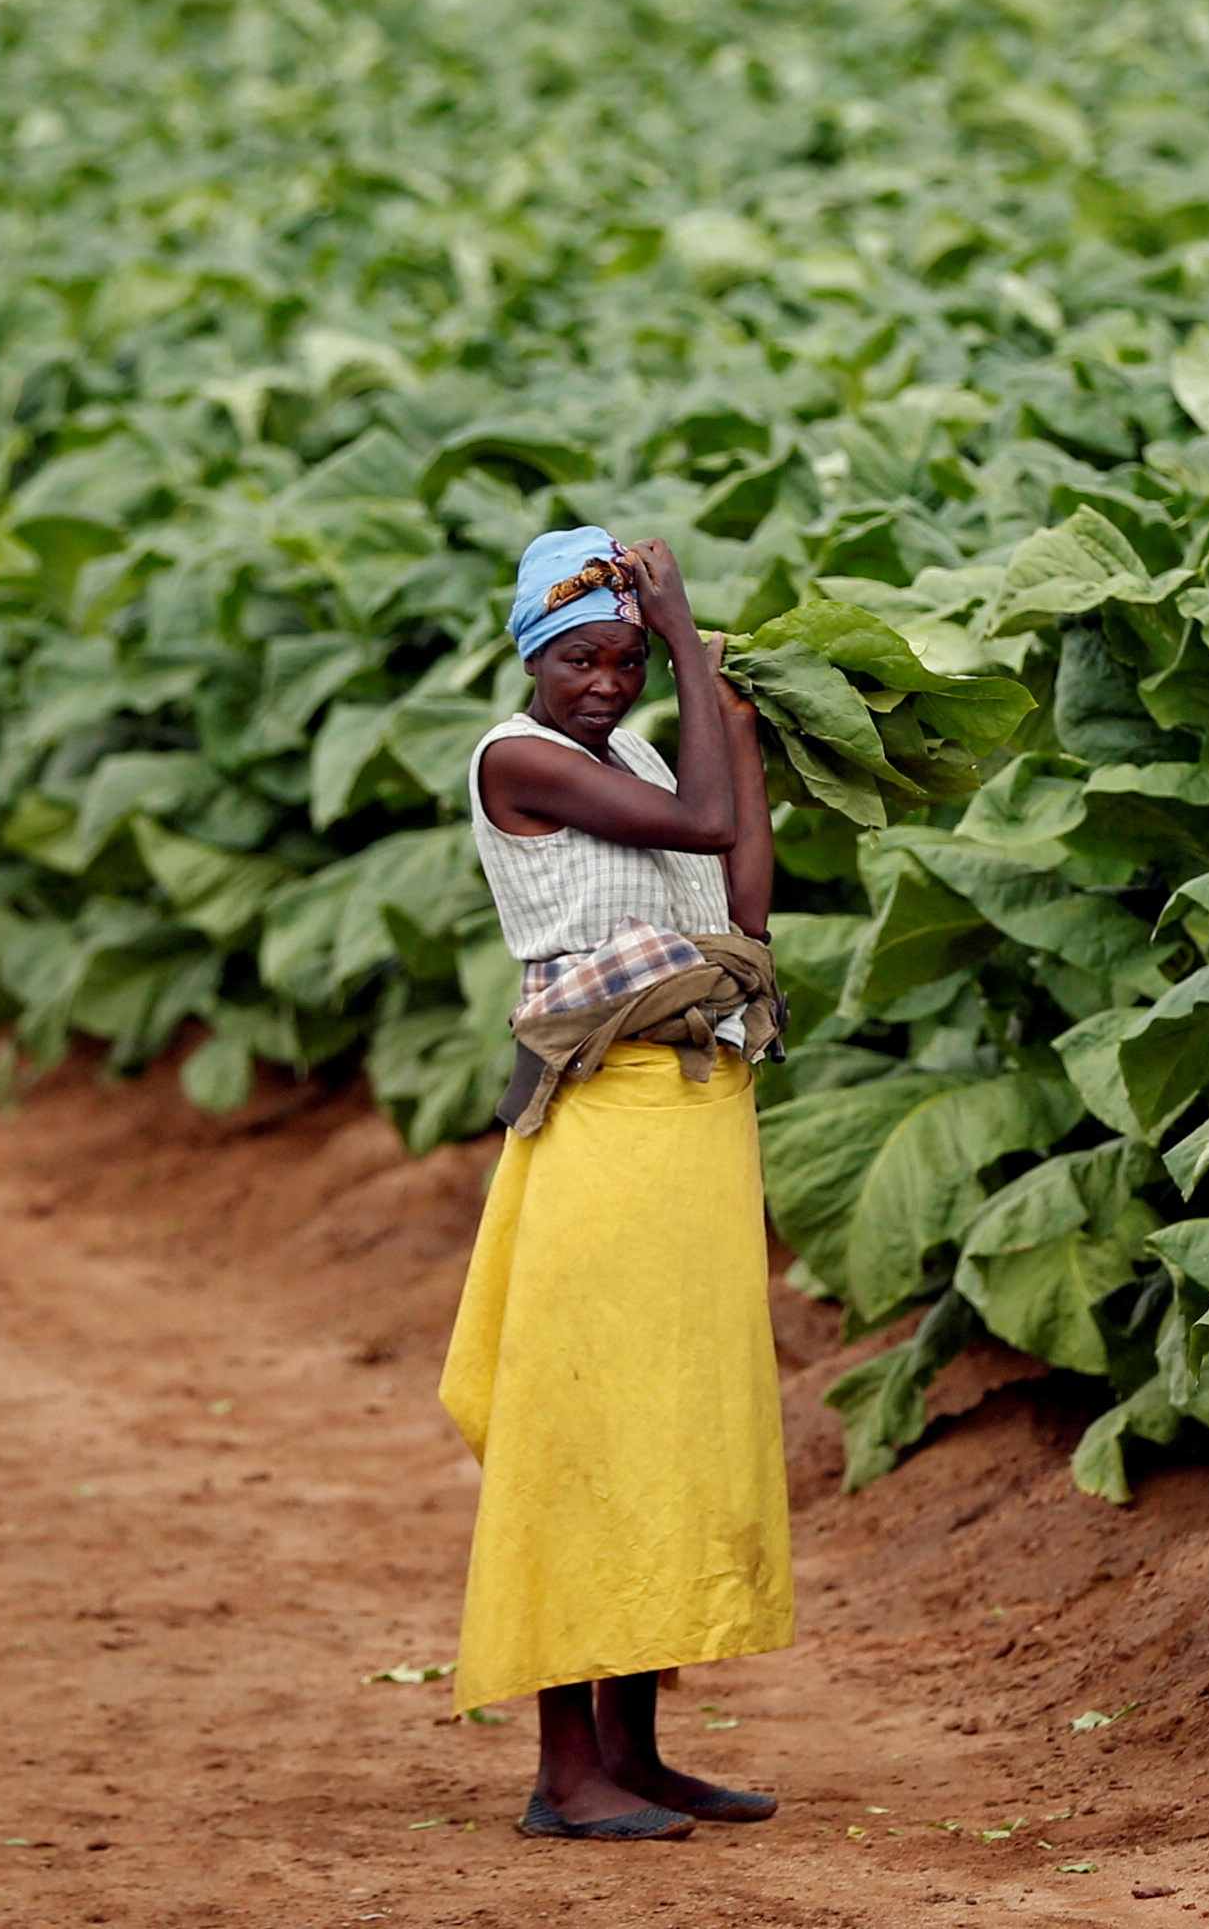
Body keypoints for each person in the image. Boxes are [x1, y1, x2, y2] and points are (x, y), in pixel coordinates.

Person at [437, 525, 791, 1842]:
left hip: (695, 1122)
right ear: (532, 655)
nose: (604, 682)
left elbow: (738, 909)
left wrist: (739, 734)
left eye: (628, 660)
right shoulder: (515, 760)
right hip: (602, 1125)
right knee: (582, 1438)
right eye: (578, 656)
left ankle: (633, 1754)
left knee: (670, 1432)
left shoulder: (651, 752)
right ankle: (559, 1771)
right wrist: (690, 631)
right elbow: (696, 823)